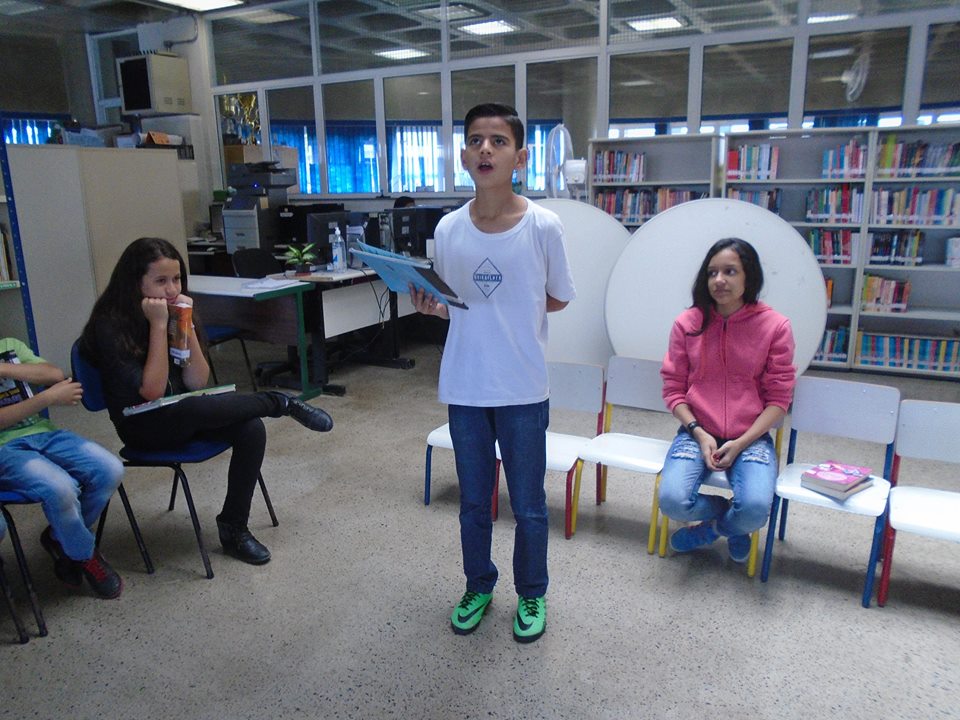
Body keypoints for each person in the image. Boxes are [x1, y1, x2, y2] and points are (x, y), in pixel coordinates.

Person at [410, 103, 576, 643]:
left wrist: (513, 310)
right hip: (465, 385)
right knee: (473, 505)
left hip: (523, 387)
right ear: (463, 156)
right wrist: (433, 307)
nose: (485, 149)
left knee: (529, 505)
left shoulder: (544, 226)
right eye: (476, 140)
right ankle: (478, 584)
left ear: (520, 157)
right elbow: (451, 302)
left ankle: (532, 592)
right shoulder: (449, 228)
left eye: (499, 141)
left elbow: (557, 297)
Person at [79, 237, 334, 566]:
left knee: (250, 428)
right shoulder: (111, 326)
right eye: (161, 281)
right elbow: (153, 392)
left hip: (182, 413)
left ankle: (233, 527)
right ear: (135, 283)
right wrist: (158, 326)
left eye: (177, 279)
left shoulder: (175, 311)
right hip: (143, 425)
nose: (172, 289)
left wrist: (183, 324)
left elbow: (196, 381)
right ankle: (279, 402)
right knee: (191, 406)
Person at [658, 237, 796, 563]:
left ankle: (715, 529)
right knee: (672, 502)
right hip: (696, 431)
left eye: (730, 271)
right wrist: (698, 432)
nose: (719, 280)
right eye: (712, 273)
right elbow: (673, 390)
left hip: (751, 436)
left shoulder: (775, 327)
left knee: (756, 509)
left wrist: (741, 442)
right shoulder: (688, 324)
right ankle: (728, 517)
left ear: (749, 276)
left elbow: (779, 400)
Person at [0, 336, 124, 598]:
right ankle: (83, 553)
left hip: (44, 434)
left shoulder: (9, 345)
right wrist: (47, 398)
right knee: (61, 488)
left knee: (110, 469)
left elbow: (53, 374)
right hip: (4, 448)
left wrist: (3, 368)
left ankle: (61, 537)